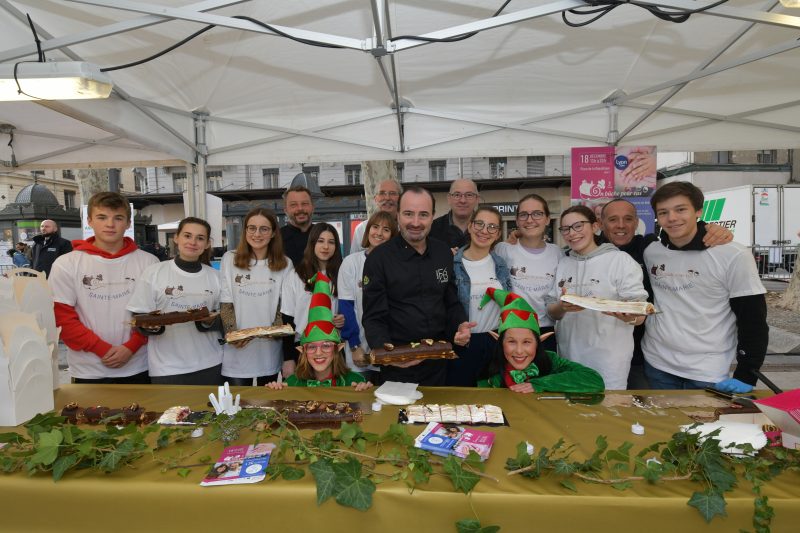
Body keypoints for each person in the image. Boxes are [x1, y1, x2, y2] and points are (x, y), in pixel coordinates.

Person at [642, 181, 769, 393]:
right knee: (662, 425)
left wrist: (747, 373)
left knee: (702, 427)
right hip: (657, 363)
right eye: (663, 212)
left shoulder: (733, 255)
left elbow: (753, 318)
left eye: (681, 209)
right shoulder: (651, 251)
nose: (672, 218)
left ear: (698, 211)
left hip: (707, 371)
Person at [599, 198, 733, 389]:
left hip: (642, 356)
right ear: (601, 223)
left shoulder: (649, 247)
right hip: (597, 350)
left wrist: (710, 229)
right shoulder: (587, 251)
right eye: (613, 219)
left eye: (628, 219)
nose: (621, 225)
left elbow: (683, 238)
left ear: (636, 222)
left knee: (647, 412)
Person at [362, 186, 474, 386]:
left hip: (440, 363)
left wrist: (460, 325)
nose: (415, 222)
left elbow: (451, 301)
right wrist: (390, 355)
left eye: (423, 215)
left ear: (432, 216)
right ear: (397, 215)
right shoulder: (378, 258)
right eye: (408, 214)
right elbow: (373, 317)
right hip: (397, 365)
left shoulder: (442, 252)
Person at [49, 192, 157, 384]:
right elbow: (62, 317)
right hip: (88, 370)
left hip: (139, 365)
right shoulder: (67, 263)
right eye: (102, 217)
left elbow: (154, 314)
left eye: (118, 218)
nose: (110, 224)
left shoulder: (149, 262)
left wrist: (131, 347)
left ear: (128, 223)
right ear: (89, 221)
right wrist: (102, 349)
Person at [546, 205, 648, 390]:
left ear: (594, 226)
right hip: (569, 359)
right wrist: (562, 307)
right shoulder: (564, 263)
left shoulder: (620, 260)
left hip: (608, 362)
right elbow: (553, 311)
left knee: (607, 413)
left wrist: (629, 315)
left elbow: (640, 313)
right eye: (566, 229)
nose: (572, 233)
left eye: (578, 226)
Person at [127, 217, 223, 385]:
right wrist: (152, 325)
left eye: (200, 238)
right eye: (187, 236)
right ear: (176, 237)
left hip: (211, 363)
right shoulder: (154, 272)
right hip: (167, 368)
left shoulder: (216, 277)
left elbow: (226, 319)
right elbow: (138, 317)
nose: (193, 242)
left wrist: (210, 321)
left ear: (207, 243)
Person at [477, 288, 604, 393]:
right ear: (500, 342)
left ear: (539, 342)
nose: (519, 351)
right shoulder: (490, 370)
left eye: (527, 342)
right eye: (511, 342)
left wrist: (540, 384)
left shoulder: (551, 361)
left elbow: (595, 380)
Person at [219, 208, 293, 386]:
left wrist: (272, 333)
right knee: (236, 409)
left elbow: (284, 307)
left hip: (269, 354)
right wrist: (234, 334)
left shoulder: (285, 263)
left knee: (267, 408)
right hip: (237, 353)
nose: (257, 234)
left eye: (264, 229)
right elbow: (226, 303)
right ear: (245, 231)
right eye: (252, 228)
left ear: (274, 232)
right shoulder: (230, 259)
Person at [267, 272, 372, 390]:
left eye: (326, 345)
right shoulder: (293, 382)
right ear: (303, 350)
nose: (318, 353)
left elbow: (365, 406)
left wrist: (365, 393)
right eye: (312, 347)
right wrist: (276, 391)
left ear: (338, 348)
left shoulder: (354, 381)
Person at [448, 206, 511, 386]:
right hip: (462, 343)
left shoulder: (500, 265)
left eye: (492, 227)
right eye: (479, 224)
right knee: (460, 401)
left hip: (495, 341)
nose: (484, 231)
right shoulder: (452, 263)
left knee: (495, 402)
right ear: (469, 226)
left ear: (498, 233)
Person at [495, 194, 562, 352]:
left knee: (544, 377)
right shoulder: (503, 250)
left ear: (547, 219)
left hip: (546, 331)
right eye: (523, 214)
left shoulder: (558, 253)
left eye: (537, 214)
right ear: (517, 220)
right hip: (511, 330)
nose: (530, 220)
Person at [338, 210, 399, 380]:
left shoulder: (398, 265)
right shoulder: (351, 263)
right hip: (359, 350)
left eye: (386, 229)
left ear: (393, 236)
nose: (379, 233)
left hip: (389, 349)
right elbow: (346, 306)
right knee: (360, 402)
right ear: (368, 230)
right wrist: (354, 345)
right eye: (375, 227)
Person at [280, 223, 345, 378]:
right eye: (320, 241)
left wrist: (343, 319)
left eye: (331, 242)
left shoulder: (342, 274)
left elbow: (349, 309)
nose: (325, 246)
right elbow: (287, 320)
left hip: (332, 349)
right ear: (312, 243)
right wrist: (288, 358)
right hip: (303, 348)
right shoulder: (295, 276)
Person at [350, 179, 401, 255]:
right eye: (382, 193)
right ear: (375, 199)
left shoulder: (408, 229)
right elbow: (355, 261)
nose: (387, 198)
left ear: (400, 199)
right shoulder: (362, 229)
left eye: (392, 193)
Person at [429, 178, 480, 250]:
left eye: (469, 195)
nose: (463, 200)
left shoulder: (485, 230)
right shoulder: (432, 229)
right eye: (457, 195)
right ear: (449, 199)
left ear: (477, 199)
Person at [280, 185, 315, 265]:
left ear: (313, 207)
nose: (300, 208)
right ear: (285, 210)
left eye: (305, 204)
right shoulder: (276, 238)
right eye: (293, 205)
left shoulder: (323, 234)